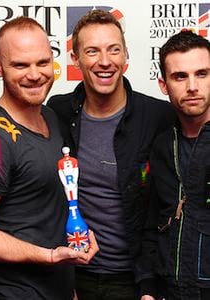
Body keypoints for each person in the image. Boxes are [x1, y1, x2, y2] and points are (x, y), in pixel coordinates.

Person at [0, 16, 99, 300]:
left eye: (42, 63)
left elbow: (43, 208)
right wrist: (49, 256)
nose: (34, 75)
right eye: (20, 65)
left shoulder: (50, 116)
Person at [47, 9, 176, 300]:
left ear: (126, 55)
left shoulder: (158, 116)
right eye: (92, 51)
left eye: (113, 50)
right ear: (75, 58)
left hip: (135, 280)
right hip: (71, 275)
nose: (105, 61)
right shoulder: (58, 111)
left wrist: (151, 286)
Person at [140, 31, 210, 300]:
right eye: (180, 76)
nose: (192, 86)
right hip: (170, 290)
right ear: (163, 85)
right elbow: (153, 221)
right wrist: (147, 288)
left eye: (202, 74)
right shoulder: (161, 146)